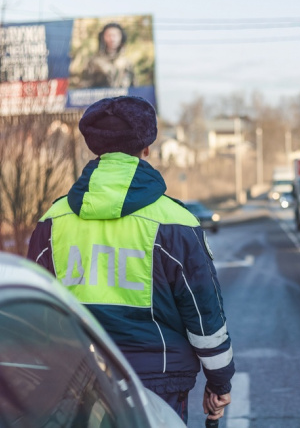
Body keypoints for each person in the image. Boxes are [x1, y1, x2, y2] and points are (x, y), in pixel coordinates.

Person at [27, 96, 233, 424]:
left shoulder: (52, 220)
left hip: (78, 381)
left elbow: (35, 313)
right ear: (146, 148)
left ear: (95, 148)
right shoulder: (175, 222)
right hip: (157, 382)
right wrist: (219, 380)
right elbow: (203, 314)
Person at [79, 22, 135, 88]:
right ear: (103, 37)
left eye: (116, 35)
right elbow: (84, 86)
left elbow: (134, 87)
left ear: (121, 37)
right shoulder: (94, 61)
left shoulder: (127, 62)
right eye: (109, 35)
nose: (112, 39)